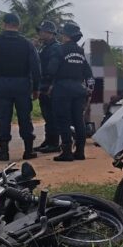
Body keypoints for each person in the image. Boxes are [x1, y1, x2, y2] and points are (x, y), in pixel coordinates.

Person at [0, 13, 41, 161]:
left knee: (3, 118)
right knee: (25, 118)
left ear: (4, 24)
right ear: (18, 25)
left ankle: (4, 152)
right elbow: (36, 67)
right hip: (22, 84)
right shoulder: (27, 44)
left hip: (1, 84)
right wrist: (36, 88)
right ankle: (28, 150)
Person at [48, 21, 92, 161]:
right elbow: (88, 73)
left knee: (63, 121)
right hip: (79, 90)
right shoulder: (80, 51)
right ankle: (80, 151)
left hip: (62, 89)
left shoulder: (59, 50)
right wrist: (88, 89)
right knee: (79, 120)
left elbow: (51, 70)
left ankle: (66, 152)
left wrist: (47, 85)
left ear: (65, 35)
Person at [34, 20, 62, 153]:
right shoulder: (43, 47)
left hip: (51, 85)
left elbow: (54, 69)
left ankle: (54, 143)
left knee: (52, 116)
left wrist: (51, 84)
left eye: (43, 31)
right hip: (43, 84)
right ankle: (48, 140)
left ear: (51, 33)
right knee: (47, 115)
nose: (41, 33)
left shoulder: (56, 47)